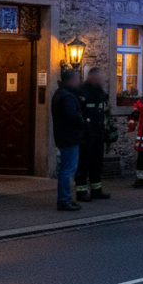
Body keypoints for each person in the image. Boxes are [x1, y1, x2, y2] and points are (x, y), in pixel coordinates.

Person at [50, 69, 86, 211]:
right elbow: (72, 116)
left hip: (64, 136)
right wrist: (82, 121)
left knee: (65, 169)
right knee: (68, 170)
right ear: (71, 80)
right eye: (77, 79)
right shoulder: (67, 97)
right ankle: (64, 200)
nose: (79, 81)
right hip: (69, 137)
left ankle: (64, 199)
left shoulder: (60, 94)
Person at [75, 67, 111, 202]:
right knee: (83, 164)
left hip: (98, 134)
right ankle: (81, 191)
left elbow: (104, 113)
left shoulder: (100, 92)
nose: (101, 80)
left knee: (97, 163)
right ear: (91, 77)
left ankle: (96, 190)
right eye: (99, 77)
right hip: (86, 136)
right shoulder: (82, 92)